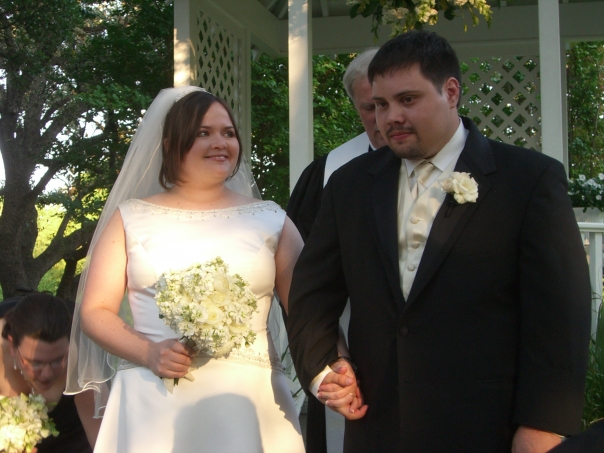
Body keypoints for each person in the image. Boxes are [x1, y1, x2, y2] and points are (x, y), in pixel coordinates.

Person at [287, 30, 591, 453]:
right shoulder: (349, 185)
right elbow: (310, 295)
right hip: (377, 428)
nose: (390, 117)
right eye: (380, 104)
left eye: (407, 99)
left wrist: (543, 423)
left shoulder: (528, 179)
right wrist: (326, 368)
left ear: (450, 92)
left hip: (488, 430)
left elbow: (559, 313)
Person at [66, 86, 306, 452]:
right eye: (203, 133)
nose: (220, 143)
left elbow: (307, 309)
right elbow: (95, 311)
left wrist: (331, 368)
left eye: (228, 133)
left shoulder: (272, 219)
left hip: (248, 400)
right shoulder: (130, 218)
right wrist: (148, 351)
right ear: (170, 144)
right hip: (154, 399)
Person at [286, 48, 386, 453]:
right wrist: (329, 359)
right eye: (370, 107)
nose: (382, 119)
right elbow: (304, 285)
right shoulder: (328, 176)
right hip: (351, 355)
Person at [287, 48, 386, 241]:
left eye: (386, 104)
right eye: (369, 107)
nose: (383, 117)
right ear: (356, 107)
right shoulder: (325, 173)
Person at [1, 293, 99, 452]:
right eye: (35, 362)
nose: (47, 374)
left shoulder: (83, 360)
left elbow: (103, 441)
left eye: (57, 360)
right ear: (12, 346)